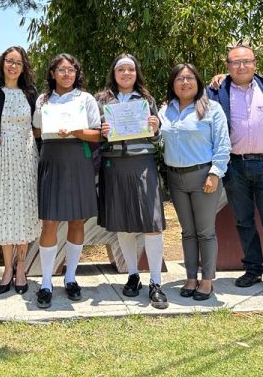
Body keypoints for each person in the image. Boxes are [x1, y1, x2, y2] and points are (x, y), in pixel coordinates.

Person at [207, 45, 263, 301]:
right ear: (227, 66)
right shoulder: (216, 91)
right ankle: (253, 269)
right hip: (234, 166)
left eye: (247, 61)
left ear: (256, 63)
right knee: (243, 221)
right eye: (236, 63)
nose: (242, 66)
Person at [96, 54, 167, 309]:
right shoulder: (101, 100)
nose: (126, 73)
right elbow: (95, 137)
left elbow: (157, 139)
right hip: (113, 165)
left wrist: (155, 127)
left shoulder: (146, 100)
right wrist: (101, 133)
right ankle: (133, 275)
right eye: (121, 69)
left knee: (151, 223)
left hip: (142, 163)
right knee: (123, 224)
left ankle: (156, 283)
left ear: (137, 73)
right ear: (113, 73)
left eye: (130, 69)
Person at [32, 54, 101, 309]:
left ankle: (71, 278)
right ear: (52, 73)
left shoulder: (86, 99)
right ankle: (47, 283)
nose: (66, 74)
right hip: (51, 159)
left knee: (76, 220)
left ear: (76, 73)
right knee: (49, 221)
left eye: (71, 70)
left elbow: (96, 134)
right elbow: (36, 131)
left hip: (77, 159)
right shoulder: (43, 99)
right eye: (61, 70)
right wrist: (51, 124)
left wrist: (75, 130)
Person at [158, 64, 230, 301]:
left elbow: (222, 144)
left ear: (198, 82)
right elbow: (157, 138)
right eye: (180, 78)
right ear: (172, 83)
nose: (185, 82)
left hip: (203, 176)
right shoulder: (165, 111)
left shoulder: (211, 109)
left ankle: (207, 280)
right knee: (187, 231)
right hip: (175, 177)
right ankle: (190, 277)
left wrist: (215, 173)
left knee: (205, 232)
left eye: (189, 78)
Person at [0, 46, 40, 295]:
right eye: (9, 61)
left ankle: (21, 267)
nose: (13, 66)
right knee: (4, 210)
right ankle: (6, 268)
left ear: (24, 66)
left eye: (18, 62)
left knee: (23, 210)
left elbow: (39, 126)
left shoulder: (31, 93)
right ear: (2, 64)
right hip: (0, 159)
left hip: (25, 158)